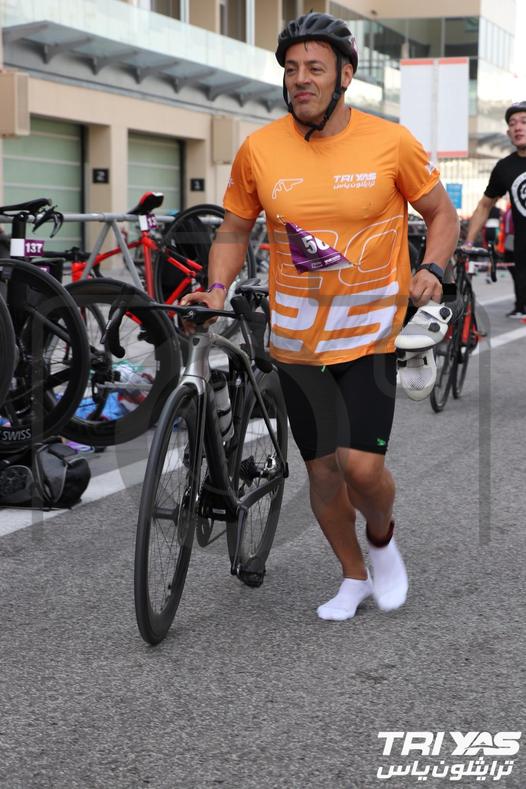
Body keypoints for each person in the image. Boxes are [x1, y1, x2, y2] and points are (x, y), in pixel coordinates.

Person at [181, 12, 459, 620]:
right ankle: (353, 575)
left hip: (370, 335)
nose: (300, 79)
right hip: (297, 344)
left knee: (363, 469)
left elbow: (442, 214)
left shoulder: (391, 142)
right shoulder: (260, 149)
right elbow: (234, 229)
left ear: (345, 76)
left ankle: (381, 538)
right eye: (290, 69)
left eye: (314, 68)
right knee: (325, 474)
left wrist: (433, 268)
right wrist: (217, 288)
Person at [465, 101, 526, 317]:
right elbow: (485, 205)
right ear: (508, 133)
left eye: (524, 121)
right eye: (512, 123)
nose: (518, 127)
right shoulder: (504, 168)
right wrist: (469, 243)